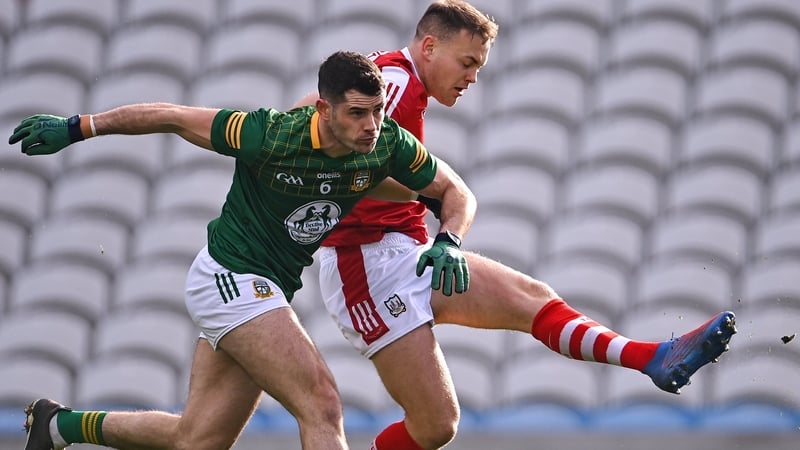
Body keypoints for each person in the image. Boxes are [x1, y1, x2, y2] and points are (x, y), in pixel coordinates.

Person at [292, 2, 738, 449]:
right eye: (467, 63)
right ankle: (650, 358)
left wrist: (443, 232)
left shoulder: (399, 83)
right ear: (429, 47)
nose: (472, 77)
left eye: (479, 67)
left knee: (532, 299)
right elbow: (312, 118)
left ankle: (653, 358)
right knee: (435, 424)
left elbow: (435, 185)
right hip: (364, 267)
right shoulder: (394, 82)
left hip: (405, 253)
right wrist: (408, 190)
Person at [8, 50, 477, 450]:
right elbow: (172, 116)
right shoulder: (269, 135)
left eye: (377, 111)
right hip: (229, 278)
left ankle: (59, 425)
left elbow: (456, 191)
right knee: (322, 403)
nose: (371, 125)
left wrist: (450, 239)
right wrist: (79, 126)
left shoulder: (385, 144)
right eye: (357, 113)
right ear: (324, 110)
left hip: (265, 289)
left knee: (198, 439)